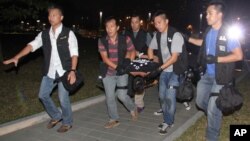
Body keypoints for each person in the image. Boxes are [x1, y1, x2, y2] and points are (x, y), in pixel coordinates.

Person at [3, 4, 78, 133]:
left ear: (61, 17)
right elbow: (32, 46)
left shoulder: (68, 33)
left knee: (63, 98)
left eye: (54, 15)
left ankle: (67, 122)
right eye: (49, 15)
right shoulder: (44, 34)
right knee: (42, 95)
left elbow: (74, 54)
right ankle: (56, 116)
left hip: (64, 71)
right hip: (49, 71)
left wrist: (72, 70)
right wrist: (17, 57)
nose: (51, 17)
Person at [186, 0, 243, 140]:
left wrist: (217, 59)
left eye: (209, 13)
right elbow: (203, 43)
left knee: (212, 108)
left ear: (219, 15)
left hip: (221, 76)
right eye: (206, 13)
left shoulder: (228, 32)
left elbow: (239, 55)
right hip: (207, 75)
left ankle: (212, 136)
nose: (206, 16)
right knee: (200, 102)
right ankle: (215, 116)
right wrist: (188, 39)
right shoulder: (208, 31)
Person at [147, 10, 184, 135]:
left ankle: (169, 121)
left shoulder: (175, 35)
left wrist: (159, 69)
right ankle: (166, 117)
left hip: (175, 70)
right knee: (162, 96)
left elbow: (174, 58)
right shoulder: (157, 35)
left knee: (169, 97)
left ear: (166, 21)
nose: (157, 25)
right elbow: (150, 49)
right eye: (155, 23)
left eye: (159, 22)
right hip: (164, 70)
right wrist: (152, 61)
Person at [98, 16, 138, 129]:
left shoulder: (125, 39)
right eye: (107, 27)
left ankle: (132, 108)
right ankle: (114, 119)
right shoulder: (102, 41)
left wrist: (128, 62)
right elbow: (105, 59)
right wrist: (117, 67)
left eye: (112, 26)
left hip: (122, 72)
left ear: (117, 27)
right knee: (109, 97)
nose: (109, 29)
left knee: (121, 96)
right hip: (108, 73)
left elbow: (132, 51)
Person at [124, 14, 152, 113]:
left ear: (139, 23)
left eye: (136, 22)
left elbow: (151, 48)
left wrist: (147, 58)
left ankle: (139, 105)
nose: (134, 24)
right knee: (130, 81)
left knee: (139, 81)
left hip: (141, 61)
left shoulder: (145, 34)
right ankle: (131, 100)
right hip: (129, 60)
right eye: (132, 22)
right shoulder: (126, 33)